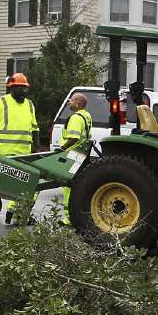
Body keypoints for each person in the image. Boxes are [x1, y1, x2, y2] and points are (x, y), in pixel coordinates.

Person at [0, 73, 37, 223]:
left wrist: (36, 147)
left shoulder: (29, 105)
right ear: (11, 88)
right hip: (3, 151)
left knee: (23, 184)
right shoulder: (0, 103)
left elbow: (35, 128)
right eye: (21, 88)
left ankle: (17, 213)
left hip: (24, 153)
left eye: (25, 88)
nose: (24, 91)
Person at [57, 93, 93, 226]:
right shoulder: (86, 115)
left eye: (71, 101)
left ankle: (69, 218)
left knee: (67, 188)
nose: (69, 103)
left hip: (71, 155)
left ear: (78, 104)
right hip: (80, 155)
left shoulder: (76, 118)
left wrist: (61, 148)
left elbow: (73, 138)